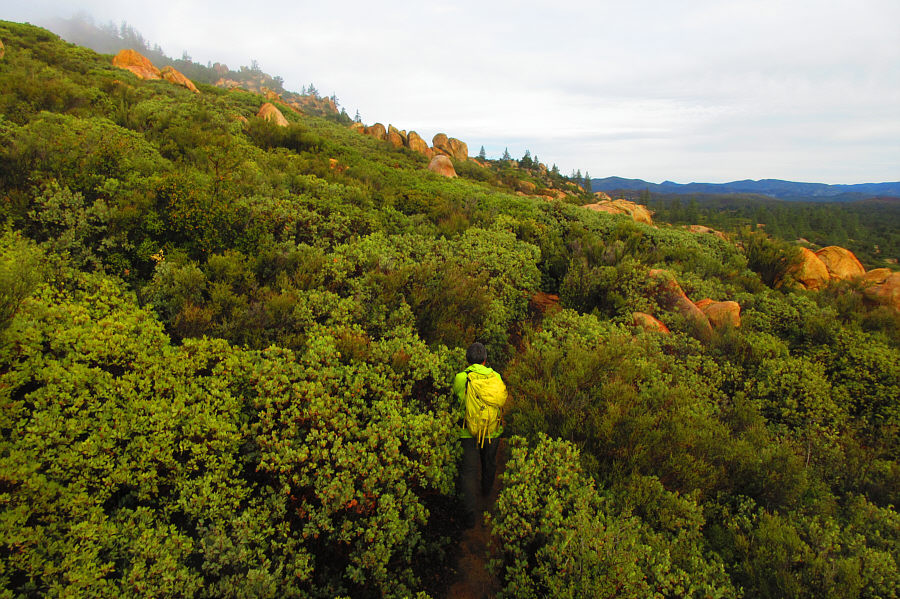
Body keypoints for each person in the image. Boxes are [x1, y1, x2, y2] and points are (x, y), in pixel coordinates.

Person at [453, 342, 506, 528]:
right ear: (485, 360)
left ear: (467, 360)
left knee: (468, 472)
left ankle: (469, 515)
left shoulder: (462, 378)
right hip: (493, 430)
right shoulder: (496, 376)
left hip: (468, 431)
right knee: (489, 462)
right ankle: (486, 492)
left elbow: (458, 399)